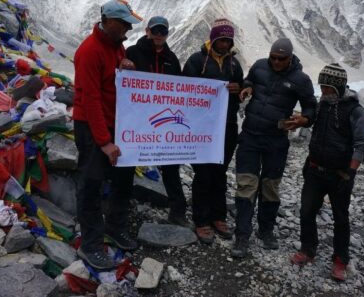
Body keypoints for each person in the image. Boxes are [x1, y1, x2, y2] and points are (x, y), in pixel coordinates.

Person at [231, 38, 317, 259]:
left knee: (270, 186)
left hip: (276, 140)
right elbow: (248, 79)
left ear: (290, 58)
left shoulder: (301, 79)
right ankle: (242, 234)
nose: (276, 62)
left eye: (281, 59)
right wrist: (247, 87)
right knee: (246, 185)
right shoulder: (259, 66)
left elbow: (310, 107)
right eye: (273, 58)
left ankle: (266, 230)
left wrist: (304, 119)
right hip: (250, 135)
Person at [73, 0, 143, 270]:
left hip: (116, 124)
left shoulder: (116, 45)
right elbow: (90, 99)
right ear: (110, 21)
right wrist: (104, 142)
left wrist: (125, 68)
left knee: (123, 178)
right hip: (92, 128)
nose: (128, 29)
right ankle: (90, 245)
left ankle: (115, 228)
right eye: (125, 24)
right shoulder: (89, 51)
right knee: (91, 184)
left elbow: (113, 83)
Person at [290, 63, 364, 282]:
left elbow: (361, 144)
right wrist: (299, 120)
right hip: (315, 169)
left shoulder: (355, 110)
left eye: (328, 88)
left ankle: (340, 260)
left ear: (339, 87)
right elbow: (310, 121)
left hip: (340, 174)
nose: (324, 92)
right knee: (306, 211)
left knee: (340, 218)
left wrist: (351, 172)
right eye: (322, 87)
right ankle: (307, 250)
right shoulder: (322, 105)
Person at [183, 18, 244, 244]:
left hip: (227, 125)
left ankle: (218, 217)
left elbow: (243, 87)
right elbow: (184, 89)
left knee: (220, 171)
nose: (225, 44)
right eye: (221, 40)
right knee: (203, 173)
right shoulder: (196, 61)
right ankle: (201, 220)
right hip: (201, 127)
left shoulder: (234, 65)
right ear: (213, 39)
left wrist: (240, 88)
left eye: (228, 40)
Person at [125, 16, 189, 227]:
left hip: (164, 121)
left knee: (171, 166)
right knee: (128, 162)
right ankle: (122, 211)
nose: (159, 34)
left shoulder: (172, 58)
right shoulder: (132, 53)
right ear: (147, 31)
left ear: (167, 34)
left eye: (163, 31)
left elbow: (180, 89)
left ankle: (178, 211)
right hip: (136, 120)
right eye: (156, 30)